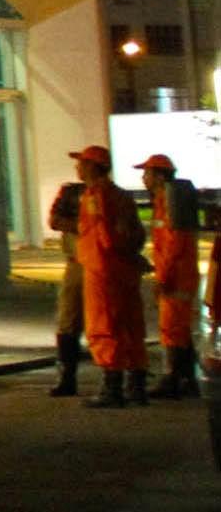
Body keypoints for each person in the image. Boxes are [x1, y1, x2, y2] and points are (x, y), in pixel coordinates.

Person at [49, 144, 149, 407]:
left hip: (100, 268)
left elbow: (104, 234)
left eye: (82, 162)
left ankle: (111, 388)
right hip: (120, 268)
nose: (77, 167)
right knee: (128, 325)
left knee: (102, 327)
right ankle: (135, 385)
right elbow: (135, 235)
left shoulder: (95, 195)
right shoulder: (121, 197)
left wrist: (91, 240)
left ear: (93, 166)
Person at [143, 154, 204, 400]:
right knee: (179, 329)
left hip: (176, 276)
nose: (143, 178)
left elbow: (173, 245)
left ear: (159, 176)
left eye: (147, 173)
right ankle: (187, 380)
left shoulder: (170, 204)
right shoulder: (165, 202)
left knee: (172, 329)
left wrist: (163, 277)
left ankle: (173, 379)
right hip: (179, 274)